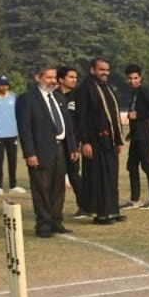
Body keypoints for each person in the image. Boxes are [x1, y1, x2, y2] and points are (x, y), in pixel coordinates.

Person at [16, 65, 78, 237]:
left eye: (54, 78)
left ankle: (56, 221)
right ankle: (43, 225)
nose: (52, 81)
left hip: (61, 148)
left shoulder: (58, 98)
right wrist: (29, 153)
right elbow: (25, 128)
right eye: (48, 77)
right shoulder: (27, 99)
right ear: (38, 78)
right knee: (42, 188)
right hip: (40, 150)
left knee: (58, 187)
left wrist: (72, 146)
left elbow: (68, 125)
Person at [75, 57, 126, 225]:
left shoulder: (107, 88)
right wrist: (85, 142)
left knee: (111, 177)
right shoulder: (85, 89)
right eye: (102, 70)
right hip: (94, 141)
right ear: (92, 70)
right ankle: (101, 214)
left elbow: (113, 116)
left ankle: (113, 210)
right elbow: (80, 118)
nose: (105, 73)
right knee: (99, 178)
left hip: (109, 141)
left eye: (107, 70)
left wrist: (118, 140)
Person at [120, 64, 149, 209]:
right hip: (136, 135)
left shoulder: (144, 91)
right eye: (130, 78)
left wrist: (138, 115)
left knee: (147, 166)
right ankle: (134, 199)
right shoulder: (134, 93)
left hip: (145, 135)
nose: (133, 81)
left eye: (136, 78)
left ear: (140, 77)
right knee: (131, 166)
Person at [56, 66, 85, 218]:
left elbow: (82, 121)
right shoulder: (53, 96)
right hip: (58, 143)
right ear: (61, 79)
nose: (74, 80)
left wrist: (81, 141)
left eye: (76, 77)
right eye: (71, 77)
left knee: (74, 175)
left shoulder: (78, 96)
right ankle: (55, 211)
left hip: (74, 143)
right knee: (57, 177)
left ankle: (83, 206)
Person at [0, 75, 25, 196]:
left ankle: (13, 185)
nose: (4, 86)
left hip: (12, 133)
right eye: (1, 84)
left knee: (13, 160)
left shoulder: (14, 97)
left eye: (6, 84)